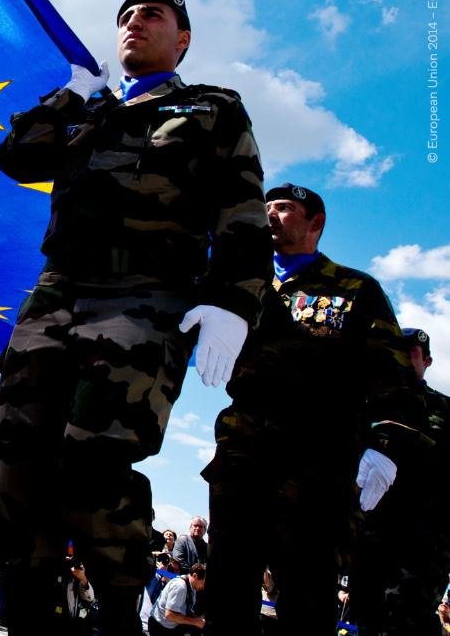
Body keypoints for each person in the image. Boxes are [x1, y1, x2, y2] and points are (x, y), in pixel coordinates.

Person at [0, 0, 271, 634]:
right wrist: (70, 94)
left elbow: (242, 209)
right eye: (127, 15)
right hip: (58, 292)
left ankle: (119, 616)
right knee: (16, 463)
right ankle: (31, 617)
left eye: (153, 14)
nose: (135, 22)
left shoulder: (213, 108)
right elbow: (16, 156)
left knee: (92, 463)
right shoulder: (89, 110)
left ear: (183, 39)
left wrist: (234, 301)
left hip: (145, 296)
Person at [201, 183, 427, 635]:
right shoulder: (240, 286)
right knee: (227, 590)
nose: (270, 214)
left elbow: (395, 380)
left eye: (284, 208)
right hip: (242, 457)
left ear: (315, 223)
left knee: (306, 596)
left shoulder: (355, 289)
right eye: (266, 206)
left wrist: (385, 448)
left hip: (318, 466)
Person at [348, 327, 449, 636]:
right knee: (366, 618)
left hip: (421, 543)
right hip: (370, 537)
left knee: (409, 618)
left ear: (427, 361)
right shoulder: (365, 403)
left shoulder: (443, 409)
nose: (402, 360)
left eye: (411, 354)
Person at [150, 563, 206, 634]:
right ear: (195, 576)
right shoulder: (180, 586)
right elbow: (170, 615)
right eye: (203, 583)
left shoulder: (192, 587)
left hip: (173, 626)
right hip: (159, 627)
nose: (203, 587)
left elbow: (186, 610)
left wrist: (198, 619)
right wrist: (195, 622)